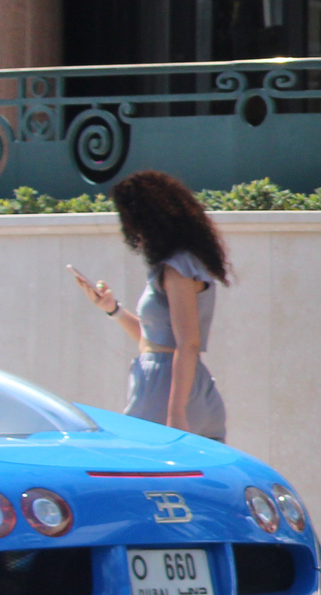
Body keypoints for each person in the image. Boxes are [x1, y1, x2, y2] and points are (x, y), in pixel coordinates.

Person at [70, 169, 233, 439]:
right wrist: (113, 309)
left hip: (166, 386)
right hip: (194, 385)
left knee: (135, 472)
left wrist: (176, 413)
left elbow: (187, 342)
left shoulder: (176, 270)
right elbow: (159, 338)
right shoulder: (188, 264)